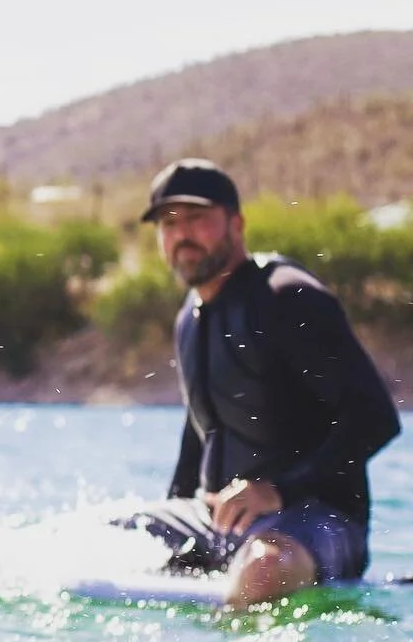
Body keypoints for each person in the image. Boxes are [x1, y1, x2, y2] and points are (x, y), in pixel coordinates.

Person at [120, 158, 401, 610]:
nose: (181, 234)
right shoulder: (189, 317)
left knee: (265, 568)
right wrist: (173, 519)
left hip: (314, 520)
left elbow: (376, 418)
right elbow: (201, 431)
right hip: (220, 522)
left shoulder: (286, 297)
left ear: (236, 223)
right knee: (87, 540)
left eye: (196, 219)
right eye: (168, 223)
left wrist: (279, 490)